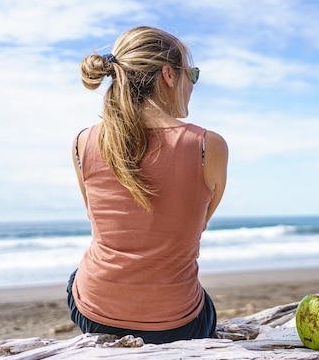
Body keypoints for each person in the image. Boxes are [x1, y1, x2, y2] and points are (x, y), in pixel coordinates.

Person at [67, 26, 228, 344]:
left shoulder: (83, 141)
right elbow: (198, 224)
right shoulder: (208, 145)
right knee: (199, 302)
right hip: (174, 324)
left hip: (93, 311)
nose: (191, 86)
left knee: (79, 278)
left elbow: (95, 217)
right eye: (191, 75)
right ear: (169, 75)